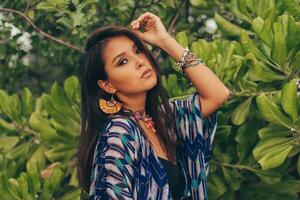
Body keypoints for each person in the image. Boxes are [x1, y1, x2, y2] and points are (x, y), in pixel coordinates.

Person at [77, 12, 230, 200]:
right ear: (108, 85)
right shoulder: (119, 133)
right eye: (123, 61)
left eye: (138, 51)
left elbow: (217, 94)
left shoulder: (161, 119)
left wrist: (165, 41)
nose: (139, 62)